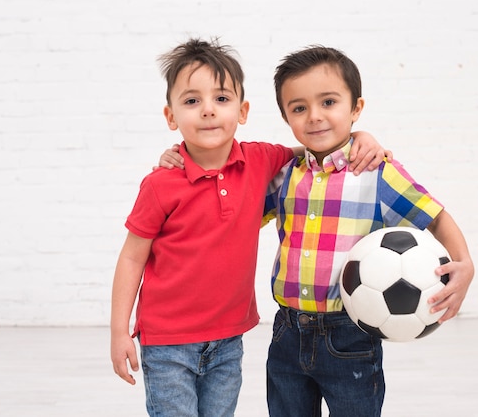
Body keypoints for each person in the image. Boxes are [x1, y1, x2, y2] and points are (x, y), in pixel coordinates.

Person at [110, 38, 386, 417]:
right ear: (171, 117)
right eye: (192, 101)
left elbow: (317, 149)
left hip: (229, 338)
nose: (208, 110)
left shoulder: (260, 160)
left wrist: (360, 138)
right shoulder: (161, 183)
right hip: (168, 342)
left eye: (221, 99)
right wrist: (118, 331)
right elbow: (131, 257)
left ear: (242, 111)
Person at [259, 46, 475, 416]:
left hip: (350, 335)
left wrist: (464, 262)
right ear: (286, 117)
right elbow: (230, 202)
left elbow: (434, 215)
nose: (315, 117)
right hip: (287, 332)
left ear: (356, 108)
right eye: (299, 108)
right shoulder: (284, 176)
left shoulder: (376, 172)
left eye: (328, 102)